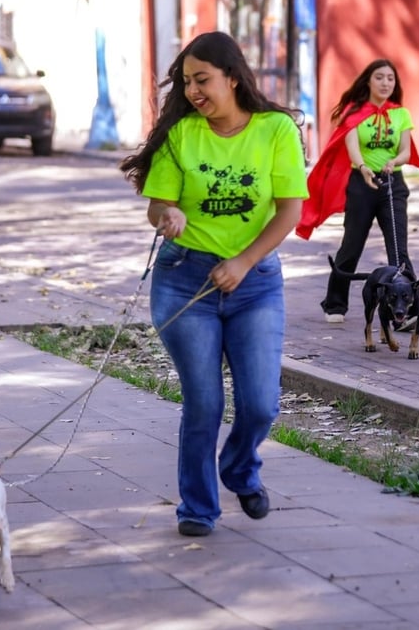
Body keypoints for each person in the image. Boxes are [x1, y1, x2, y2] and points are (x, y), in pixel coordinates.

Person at [119, 31, 308, 537]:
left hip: (255, 283)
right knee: (204, 402)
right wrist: (168, 213)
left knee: (261, 404)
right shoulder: (182, 134)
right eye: (187, 82)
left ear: (233, 77)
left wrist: (244, 262)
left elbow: (289, 211)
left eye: (202, 80)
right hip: (185, 281)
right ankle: (198, 508)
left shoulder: (275, 130)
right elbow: (157, 206)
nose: (193, 91)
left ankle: (239, 469)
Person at [295, 59, 419, 324]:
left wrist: (394, 162)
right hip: (361, 184)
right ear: (368, 81)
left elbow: (405, 151)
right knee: (351, 246)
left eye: (390, 78)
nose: (385, 83)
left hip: (393, 185)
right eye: (379, 77)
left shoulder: (401, 114)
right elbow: (352, 148)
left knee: (398, 250)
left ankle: (409, 307)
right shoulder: (354, 114)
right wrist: (364, 167)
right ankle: (335, 304)